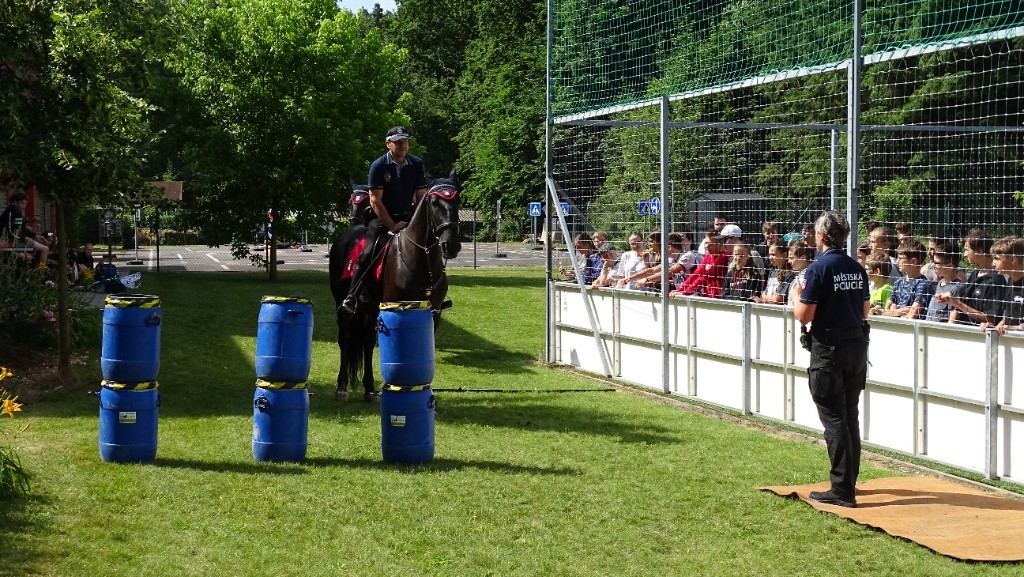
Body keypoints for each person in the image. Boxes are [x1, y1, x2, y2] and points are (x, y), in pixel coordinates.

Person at [790, 210, 870, 508]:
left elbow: (804, 315)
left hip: (829, 350)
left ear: (821, 236)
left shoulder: (817, 269)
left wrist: (796, 294)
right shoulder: (856, 268)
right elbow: (864, 311)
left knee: (834, 419)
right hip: (856, 347)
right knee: (849, 415)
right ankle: (849, 482)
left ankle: (841, 490)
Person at [340, 126, 429, 314]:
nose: (403, 145)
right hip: (382, 220)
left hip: (408, 218)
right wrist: (392, 225)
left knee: (430, 247)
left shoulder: (417, 164)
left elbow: (422, 196)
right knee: (368, 252)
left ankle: (434, 292)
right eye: (398, 142)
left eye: (405, 141)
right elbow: (375, 200)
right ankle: (352, 295)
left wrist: (415, 220)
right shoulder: (378, 166)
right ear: (388, 144)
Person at [938, 228, 1005, 326]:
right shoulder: (975, 274)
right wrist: (952, 302)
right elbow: (963, 304)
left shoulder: (995, 279)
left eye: (967, 250)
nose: (965, 254)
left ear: (979, 251)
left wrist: (958, 303)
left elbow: (991, 318)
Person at [673, 225, 742, 299]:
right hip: (709, 296)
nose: (707, 246)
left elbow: (704, 277)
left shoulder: (724, 256)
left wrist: (685, 292)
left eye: (711, 244)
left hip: (720, 297)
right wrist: (680, 290)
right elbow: (696, 274)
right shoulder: (708, 256)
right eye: (706, 243)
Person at [884, 239, 934, 320]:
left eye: (900, 258)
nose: (897, 261)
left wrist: (894, 312)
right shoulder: (899, 282)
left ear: (914, 261)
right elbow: (886, 310)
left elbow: (912, 315)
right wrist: (903, 311)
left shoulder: (923, 285)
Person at [985, 237, 1024, 334]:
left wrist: (1016, 328)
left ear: (1012, 259)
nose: (993, 264)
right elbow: (1008, 317)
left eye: (997, 259)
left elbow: (1013, 326)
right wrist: (994, 328)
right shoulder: (1010, 281)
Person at [0, 190, 48, 264]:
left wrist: (35, 236)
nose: (24, 205)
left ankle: (41, 270)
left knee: (45, 249)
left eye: (25, 203)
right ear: (15, 202)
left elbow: (22, 229)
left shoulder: (19, 212)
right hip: (7, 241)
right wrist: (24, 238)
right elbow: (10, 231)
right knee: (24, 256)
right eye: (22, 203)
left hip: (18, 240)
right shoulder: (10, 213)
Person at [924, 241, 963, 323]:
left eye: (937, 263)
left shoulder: (957, 288)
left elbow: (953, 319)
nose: (933, 266)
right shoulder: (940, 283)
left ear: (950, 266)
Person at [865, 250, 893, 315]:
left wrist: (878, 310)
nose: (864, 272)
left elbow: (887, 310)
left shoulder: (887, 289)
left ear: (877, 271)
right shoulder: (873, 288)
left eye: (867, 269)